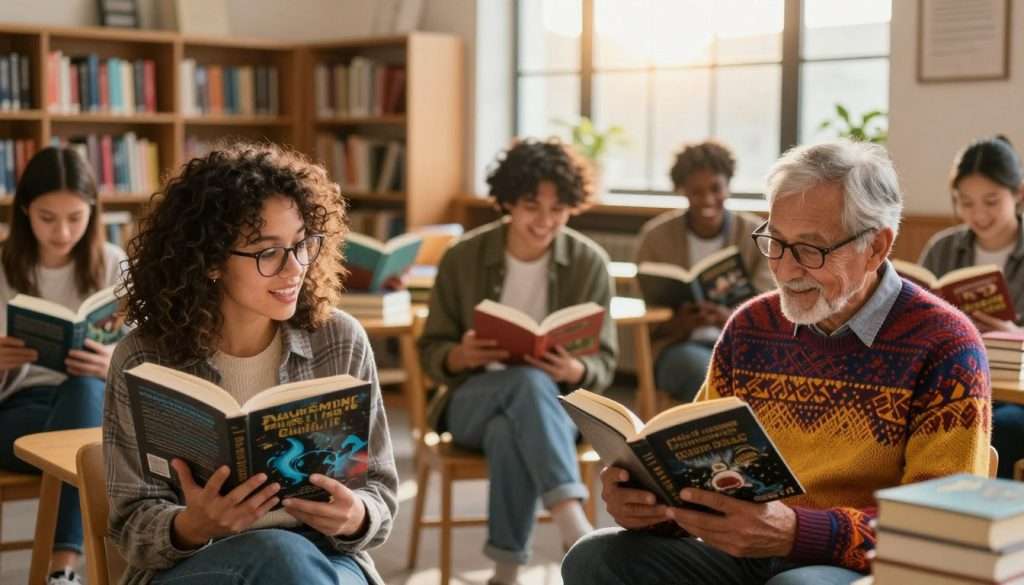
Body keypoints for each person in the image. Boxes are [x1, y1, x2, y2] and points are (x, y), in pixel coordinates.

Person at [563, 140, 991, 585]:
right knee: (595, 557)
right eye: (776, 243)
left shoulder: (944, 345)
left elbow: (939, 525)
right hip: (743, 551)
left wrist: (797, 533)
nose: (786, 270)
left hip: (856, 568)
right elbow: (699, 474)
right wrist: (651, 505)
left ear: (877, 247)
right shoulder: (751, 326)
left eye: (811, 249)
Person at [104, 143, 397, 585]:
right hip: (196, 563)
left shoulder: (339, 340)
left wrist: (355, 515)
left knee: (292, 558)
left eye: (302, 244)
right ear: (211, 262)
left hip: (324, 557)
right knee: (279, 554)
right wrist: (194, 525)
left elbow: (380, 492)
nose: (294, 267)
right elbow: (131, 526)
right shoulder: (145, 357)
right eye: (267, 252)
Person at [418, 137, 618, 585]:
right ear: (508, 201)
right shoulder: (463, 256)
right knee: (524, 383)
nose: (545, 221)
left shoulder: (589, 262)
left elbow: (604, 360)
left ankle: (505, 573)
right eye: (532, 206)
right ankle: (573, 521)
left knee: (511, 428)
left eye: (559, 208)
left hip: (553, 411)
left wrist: (576, 371)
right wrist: (459, 354)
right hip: (469, 402)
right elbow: (430, 351)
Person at [0, 146, 125, 585]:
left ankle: (62, 567)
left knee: (86, 393)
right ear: (25, 212)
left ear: (93, 211)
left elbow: (148, 361)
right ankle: (64, 569)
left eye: (76, 217)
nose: (63, 231)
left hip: (89, 405)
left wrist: (114, 361)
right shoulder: (2, 265)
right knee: (88, 444)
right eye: (47, 218)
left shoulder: (113, 264)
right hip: (15, 413)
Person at [635, 140, 773, 403]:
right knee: (706, 373)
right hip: (678, 348)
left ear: (729, 185)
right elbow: (645, 315)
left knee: (753, 373)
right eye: (696, 192)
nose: (708, 199)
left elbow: (771, 306)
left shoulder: (756, 236)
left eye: (716, 189)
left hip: (743, 346)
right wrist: (681, 324)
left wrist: (726, 318)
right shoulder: (655, 238)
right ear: (681, 191)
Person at [919, 135, 1024, 479]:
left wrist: (1015, 335)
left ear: (1018, 194)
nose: (978, 214)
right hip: (951, 380)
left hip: (1013, 391)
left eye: (991, 201)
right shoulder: (943, 248)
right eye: (966, 202)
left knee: (1000, 427)